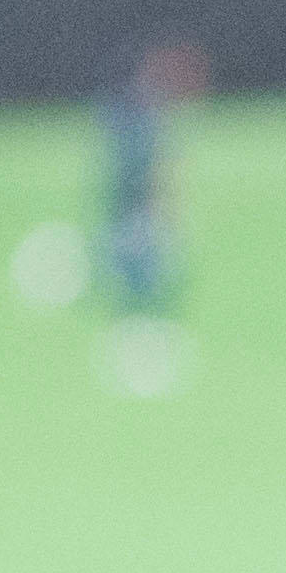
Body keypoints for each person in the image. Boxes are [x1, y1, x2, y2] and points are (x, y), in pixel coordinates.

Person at [95, 43, 202, 398]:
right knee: (143, 294)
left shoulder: (132, 116)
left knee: (139, 293)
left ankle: (138, 350)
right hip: (137, 219)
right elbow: (149, 178)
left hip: (128, 218)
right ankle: (140, 354)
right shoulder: (143, 122)